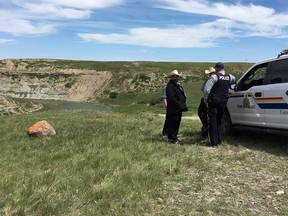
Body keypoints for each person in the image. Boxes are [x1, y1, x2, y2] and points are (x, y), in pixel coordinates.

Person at [203, 62, 236, 147]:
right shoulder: (230, 77)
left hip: (214, 99)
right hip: (224, 100)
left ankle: (213, 142)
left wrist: (205, 99)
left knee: (212, 120)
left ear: (217, 68)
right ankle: (219, 139)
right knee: (219, 120)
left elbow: (206, 90)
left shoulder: (215, 76)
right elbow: (234, 81)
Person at [165, 69, 188, 144]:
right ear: (171, 77)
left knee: (176, 123)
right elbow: (171, 98)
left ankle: (174, 137)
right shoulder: (170, 86)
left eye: (177, 76)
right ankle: (172, 139)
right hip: (174, 108)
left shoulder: (176, 85)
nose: (176, 78)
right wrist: (178, 103)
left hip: (177, 108)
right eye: (174, 76)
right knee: (173, 123)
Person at [198, 67, 215, 139]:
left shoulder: (209, 80)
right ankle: (206, 129)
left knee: (202, 113)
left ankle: (206, 129)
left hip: (208, 99)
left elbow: (203, 89)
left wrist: (205, 97)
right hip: (214, 98)